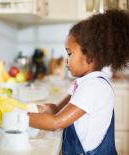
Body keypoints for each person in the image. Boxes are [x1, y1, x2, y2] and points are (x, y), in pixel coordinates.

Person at [28, 10, 129, 155]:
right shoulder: (83, 83)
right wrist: (21, 108)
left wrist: (14, 118)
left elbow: (55, 122)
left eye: (70, 53)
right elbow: (56, 109)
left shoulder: (94, 87)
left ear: (90, 54)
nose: (66, 61)